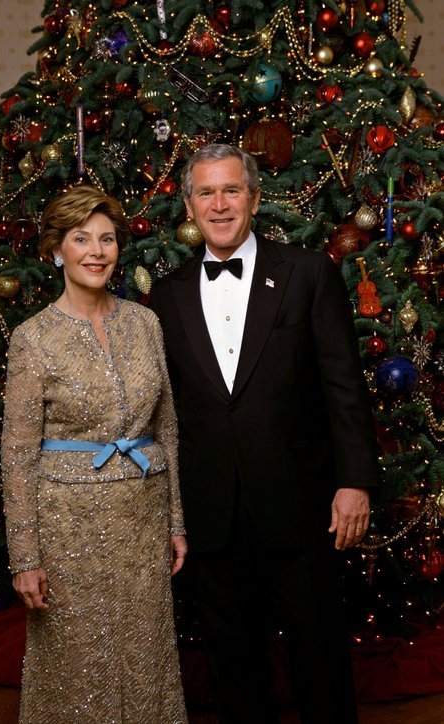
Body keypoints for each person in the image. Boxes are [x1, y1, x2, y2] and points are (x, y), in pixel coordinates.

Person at [151, 144, 379, 724]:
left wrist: (354, 482)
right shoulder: (166, 294)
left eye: (231, 190)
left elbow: (344, 388)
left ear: (254, 197)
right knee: (234, 670)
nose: (219, 204)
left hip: (301, 506)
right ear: (188, 202)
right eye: (206, 192)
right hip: (213, 513)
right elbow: (166, 414)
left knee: (320, 661)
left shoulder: (307, 272)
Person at [2, 185, 188, 723]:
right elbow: (16, 456)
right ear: (57, 249)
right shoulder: (32, 339)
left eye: (106, 239)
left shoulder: (145, 323)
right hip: (68, 528)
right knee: (79, 665)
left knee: (146, 652)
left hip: (143, 521)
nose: (96, 251)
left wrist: (176, 521)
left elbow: (167, 429)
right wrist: (26, 557)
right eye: (81, 238)